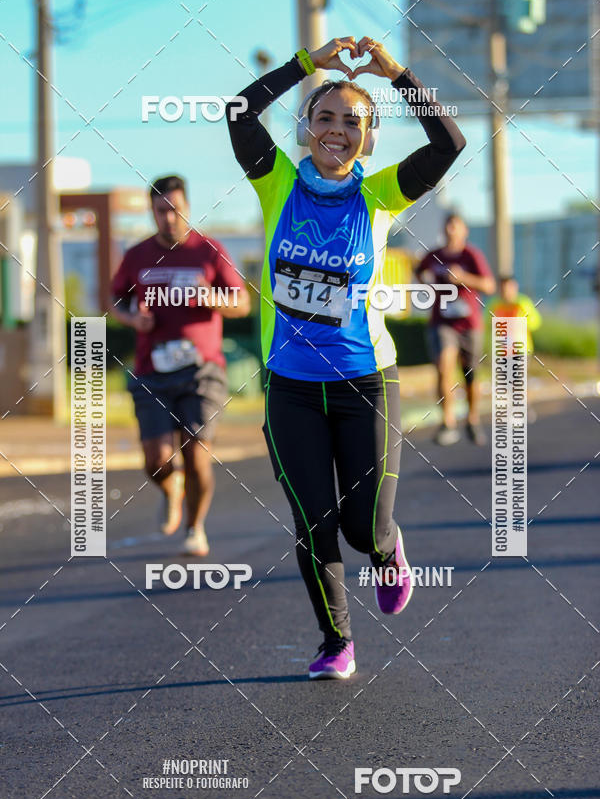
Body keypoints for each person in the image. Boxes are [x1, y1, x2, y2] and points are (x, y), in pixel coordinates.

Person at [226, 36, 465, 679]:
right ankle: (337, 642)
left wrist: (393, 72)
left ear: (369, 136)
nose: (337, 130)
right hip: (293, 388)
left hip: (366, 383)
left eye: (352, 121)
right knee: (314, 521)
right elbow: (237, 113)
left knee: (362, 529)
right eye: (324, 117)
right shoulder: (276, 184)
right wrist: (308, 65)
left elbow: (450, 145)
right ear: (306, 129)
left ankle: (388, 549)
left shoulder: (383, 194)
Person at [110, 174, 250, 555]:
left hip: (201, 371)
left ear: (187, 207)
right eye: (161, 211)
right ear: (151, 212)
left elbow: (242, 303)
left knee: (197, 453)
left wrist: (212, 298)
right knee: (156, 461)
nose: (169, 218)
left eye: (176, 210)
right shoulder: (137, 255)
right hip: (152, 371)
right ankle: (170, 487)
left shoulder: (209, 251)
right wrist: (132, 319)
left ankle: (194, 527)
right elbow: (115, 299)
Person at [415, 213, 495, 446]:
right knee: (444, 365)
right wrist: (425, 281)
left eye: (456, 225)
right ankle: (448, 422)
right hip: (442, 322)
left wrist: (464, 278)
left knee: (470, 373)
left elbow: (489, 285)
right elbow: (419, 271)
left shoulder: (471, 255)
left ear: (464, 230)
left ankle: (472, 419)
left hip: (469, 324)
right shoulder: (434, 256)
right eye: (448, 225)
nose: (451, 229)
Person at [490, 275, 542, 421]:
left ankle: (522, 408)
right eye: (503, 288)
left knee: (518, 380)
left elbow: (535, 322)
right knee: (505, 382)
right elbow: (485, 324)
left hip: (520, 349)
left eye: (508, 287)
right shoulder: (494, 304)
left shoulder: (523, 302)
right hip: (501, 350)